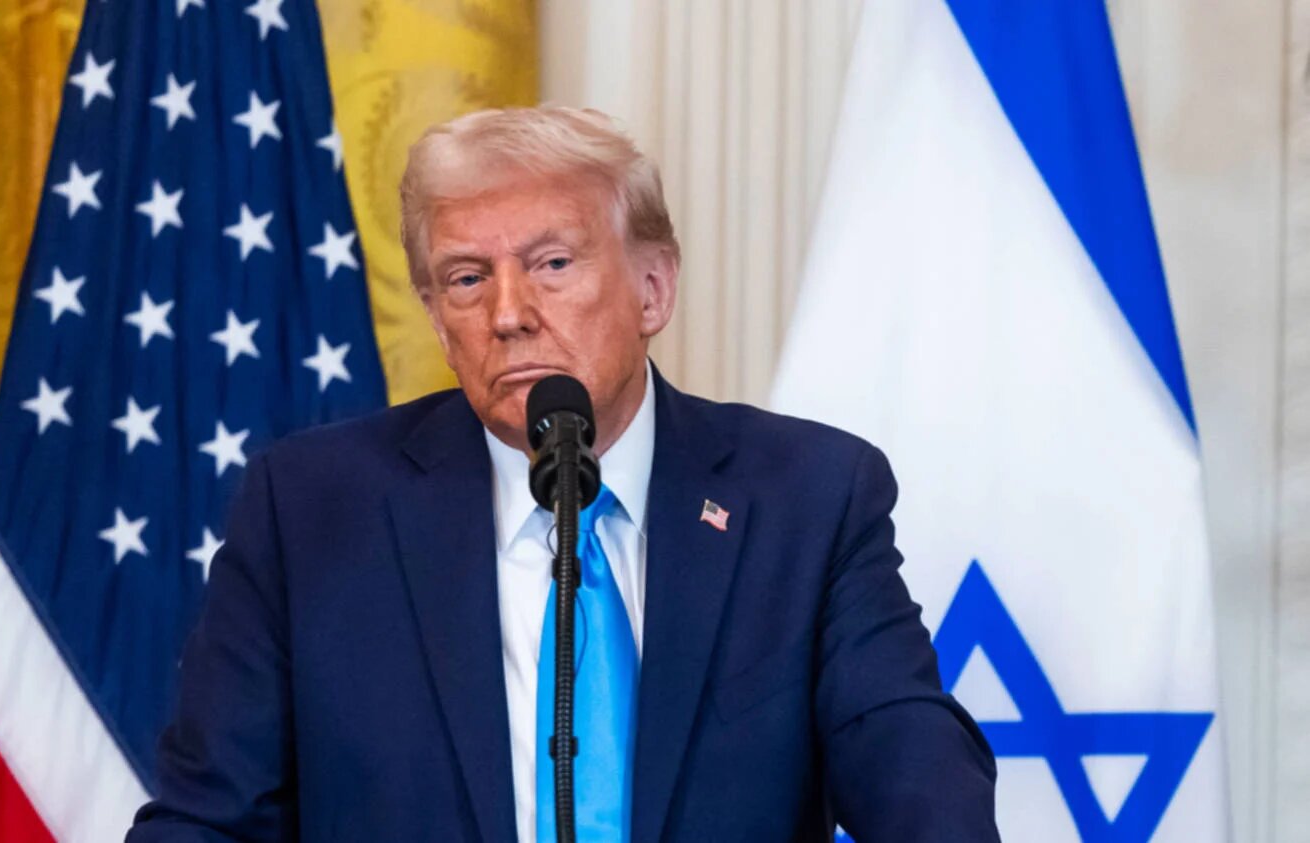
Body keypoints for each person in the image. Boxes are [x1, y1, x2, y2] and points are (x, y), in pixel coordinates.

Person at [128, 106, 998, 842]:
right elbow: (207, 819)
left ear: (653, 289)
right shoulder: (312, 510)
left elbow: (906, 757)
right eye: (467, 278)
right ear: (438, 320)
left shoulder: (807, 496)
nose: (508, 314)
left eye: (551, 264)